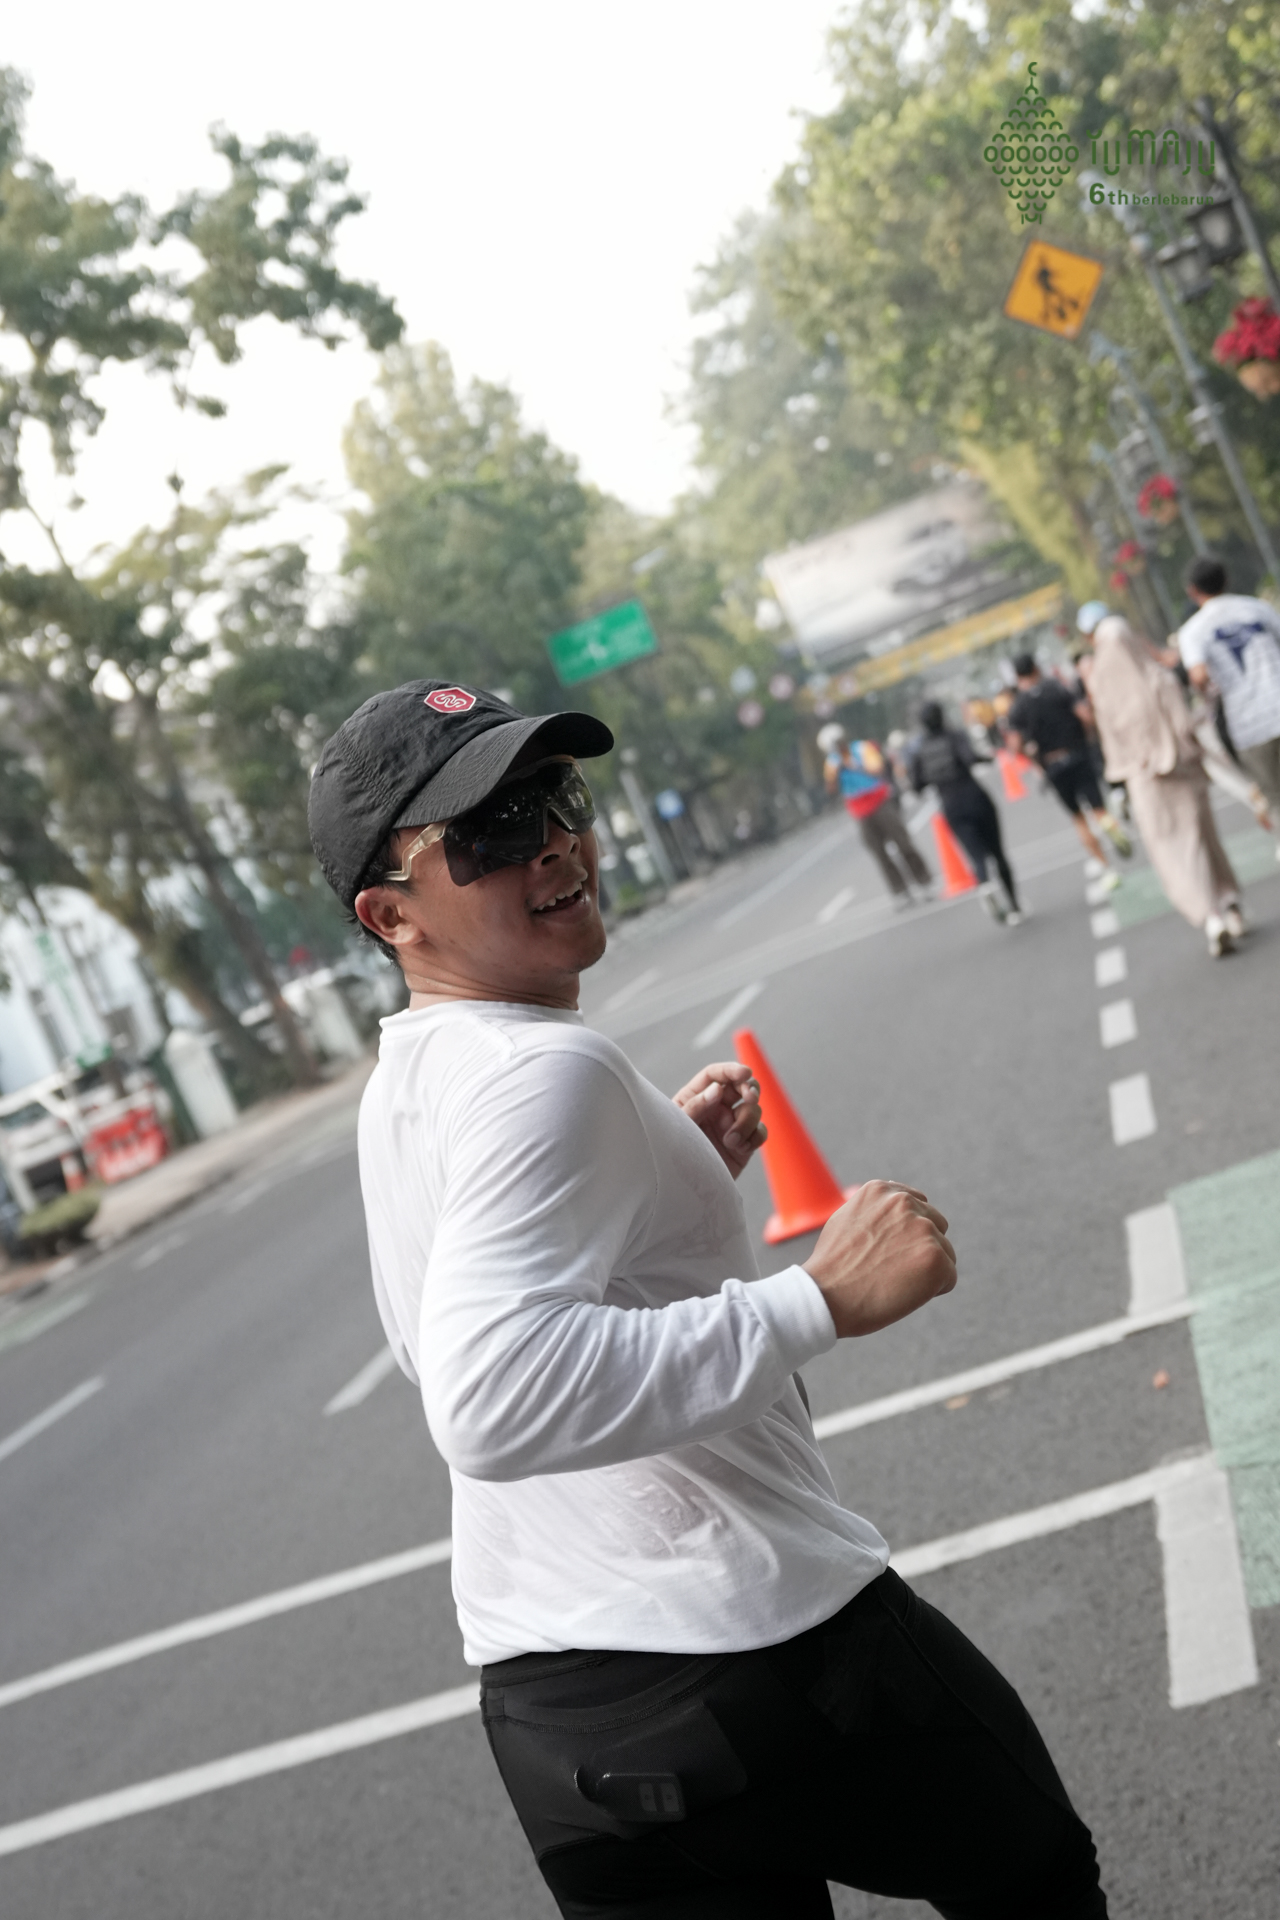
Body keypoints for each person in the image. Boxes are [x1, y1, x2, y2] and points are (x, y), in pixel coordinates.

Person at [307, 679, 1109, 1920]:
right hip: (761, 1654)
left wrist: (660, 1191)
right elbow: (486, 1395)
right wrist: (816, 1299)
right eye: (489, 831)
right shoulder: (542, 1074)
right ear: (389, 913)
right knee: (1039, 1880)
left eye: (554, 798)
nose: (551, 843)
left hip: (557, 1722)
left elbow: (446, 1323)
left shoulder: (412, 1078)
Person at [1077, 609, 1245, 957]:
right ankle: (1228, 902)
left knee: (1172, 850)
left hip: (1145, 781)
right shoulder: (1159, 678)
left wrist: (1122, 782)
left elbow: (1110, 744)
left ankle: (1211, 916)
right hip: (1182, 770)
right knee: (1202, 838)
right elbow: (1184, 726)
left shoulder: (1101, 689)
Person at [1177, 555, 1280, 863]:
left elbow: (1198, 676)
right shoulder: (1258, 608)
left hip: (1250, 722)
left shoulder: (1193, 630)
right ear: (1227, 580)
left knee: (1273, 793)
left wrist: (1209, 690)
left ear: (1192, 591)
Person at [1004, 642, 1132, 881]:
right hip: (1078, 754)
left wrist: (1032, 756)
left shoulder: (1017, 707)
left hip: (1052, 765)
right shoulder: (1056, 687)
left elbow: (1014, 745)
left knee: (1078, 818)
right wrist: (1089, 737)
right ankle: (1107, 823)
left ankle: (1107, 868)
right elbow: (1085, 715)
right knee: (1098, 806)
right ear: (1035, 668)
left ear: (1016, 676)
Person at [907, 701, 1023, 925]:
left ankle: (985, 886)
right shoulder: (955, 736)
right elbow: (970, 757)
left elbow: (916, 784)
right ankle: (1015, 906)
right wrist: (987, 757)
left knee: (977, 857)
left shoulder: (919, 749)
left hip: (950, 806)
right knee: (998, 853)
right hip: (975, 797)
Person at [818, 722, 932, 909]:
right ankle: (900, 892)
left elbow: (878, 770)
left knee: (903, 843)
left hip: (880, 802)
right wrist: (835, 774)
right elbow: (830, 789)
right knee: (879, 853)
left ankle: (924, 882)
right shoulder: (832, 762)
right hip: (859, 811)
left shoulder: (861, 749)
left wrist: (853, 765)